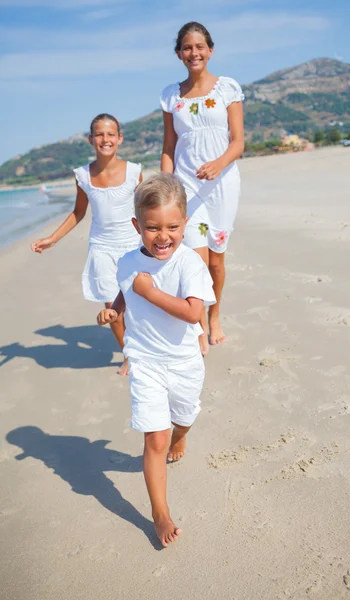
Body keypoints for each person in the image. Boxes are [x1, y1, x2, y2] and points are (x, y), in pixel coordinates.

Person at [97, 173, 215, 546]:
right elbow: (126, 289)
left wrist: (148, 292)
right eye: (152, 228)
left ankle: (182, 435)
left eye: (173, 227)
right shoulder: (128, 262)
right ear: (137, 226)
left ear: (185, 224)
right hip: (145, 360)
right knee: (155, 440)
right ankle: (160, 513)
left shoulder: (189, 264)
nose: (163, 236)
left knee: (183, 418)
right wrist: (115, 310)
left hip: (183, 361)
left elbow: (194, 313)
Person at [31, 114, 142, 375]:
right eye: (100, 135)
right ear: (91, 139)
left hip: (132, 245)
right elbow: (78, 213)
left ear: (120, 138)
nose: (106, 139)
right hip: (101, 248)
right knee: (110, 306)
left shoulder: (134, 171)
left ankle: (146, 348)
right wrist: (52, 239)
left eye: (111, 134)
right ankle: (130, 355)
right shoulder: (83, 175)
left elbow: (144, 207)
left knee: (138, 303)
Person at [160, 21, 244, 356]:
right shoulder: (170, 95)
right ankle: (195, 325)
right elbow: (169, 146)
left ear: (209, 50)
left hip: (222, 185)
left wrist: (218, 164)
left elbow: (238, 142)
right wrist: (167, 185)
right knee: (195, 260)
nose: (193, 53)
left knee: (216, 262)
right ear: (179, 54)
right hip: (186, 187)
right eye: (186, 48)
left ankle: (215, 314)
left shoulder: (227, 89)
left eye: (199, 47)